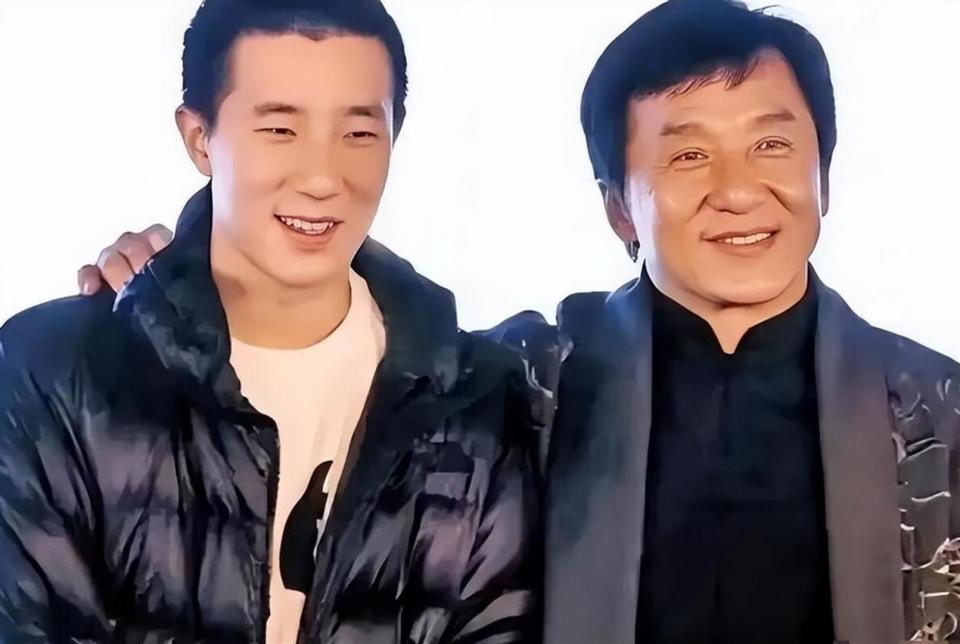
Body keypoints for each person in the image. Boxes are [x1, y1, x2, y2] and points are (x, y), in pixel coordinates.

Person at [74, 0, 960, 642]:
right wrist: (176, 278)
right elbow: (340, 334)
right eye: (688, 153)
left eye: (773, 144)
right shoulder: (522, 379)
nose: (738, 189)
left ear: (824, 177)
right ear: (618, 207)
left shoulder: (936, 410)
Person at [0, 1, 541, 642]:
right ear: (199, 138)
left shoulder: (477, 403)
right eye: (281, 129)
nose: (323, 178)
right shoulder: (53, 377)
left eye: (359, 133)